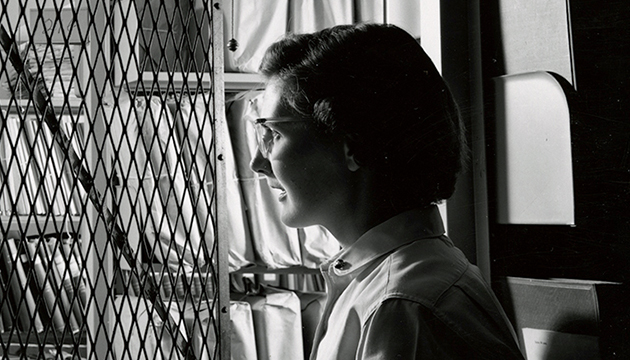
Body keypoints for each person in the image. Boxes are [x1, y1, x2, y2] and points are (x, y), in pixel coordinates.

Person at [249, 23, 524, 360]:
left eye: (272, 135)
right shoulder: (392, 284)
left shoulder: (402, 308)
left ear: (353, 145)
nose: (256, 164)